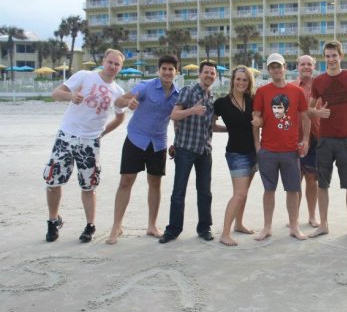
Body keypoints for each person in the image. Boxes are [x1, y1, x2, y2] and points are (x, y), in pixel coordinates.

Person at [43, 48, 126, 243]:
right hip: (67, 135)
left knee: (89, 185)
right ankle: (53, 221)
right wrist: (70, 96)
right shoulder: (84, 76)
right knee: (53, 181)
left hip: (90, 142)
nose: (112, 66)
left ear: (120, 68)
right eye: (110, 62)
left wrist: (102, 133)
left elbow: (120, 117)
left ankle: (90, 225)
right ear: (103, 61)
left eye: (117, 64)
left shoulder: (118, 91)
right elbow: (56, 93)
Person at [105, 55, 180, 244]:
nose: (167, 72)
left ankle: (152, 225)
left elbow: (177, 120)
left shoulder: (178, 94)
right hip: (136, 139)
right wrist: (128, 103)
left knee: (155, 183)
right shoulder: (145, 86)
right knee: (126, 181)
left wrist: (176, 143)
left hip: (158, 143)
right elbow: (119, 101)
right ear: (158, 70)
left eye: (171, 69)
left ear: (176, 72)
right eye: (164, 68)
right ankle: (116, 226)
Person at [308, 40, 347, 239]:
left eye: (334, 55)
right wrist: (318, 112)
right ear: (324, 58)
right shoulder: (318, 81)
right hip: (325, 140)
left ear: (341, 56)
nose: (331, 59)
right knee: (322, 184)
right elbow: (308, 110)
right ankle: (323, 224)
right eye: (327, 56)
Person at [252, 53, 310, 241]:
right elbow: (256, 118)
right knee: (269, 190)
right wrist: (257, 144)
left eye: (279, 66)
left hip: (290, 150)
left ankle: (294, 226)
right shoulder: (262, 92)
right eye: (273, 67)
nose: (276, 70)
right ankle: (267, 227)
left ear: (285, 67)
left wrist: (306, 140)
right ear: (269, 70)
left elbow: (305, 117)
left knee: (293, 189)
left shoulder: (297, 91)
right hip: (268, 150)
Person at [159, 60, 217, 243]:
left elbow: (211, 126)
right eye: (206, 72)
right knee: (179, 191)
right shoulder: (188, 91)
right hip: (185, 149)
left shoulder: (212, 98)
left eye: (212, 73)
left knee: (205, 192)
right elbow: (174, 115)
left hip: (204, 150)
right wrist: (192, 110)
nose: (209, 76)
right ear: (200, 74)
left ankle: (204, 227)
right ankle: (173, 230)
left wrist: (233, 128)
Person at [212, 65, 257, 246]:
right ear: (232, 81)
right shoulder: (221, 103)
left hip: (252, 151)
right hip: (235, 153)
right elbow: (211, 126)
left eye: (244, 80)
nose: (241, 82)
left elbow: (257, 124)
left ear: (249, 83)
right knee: (239, 194)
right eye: (238, 79)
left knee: (244, 193)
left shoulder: (252, 100)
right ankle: (225, 233)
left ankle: (239, 224)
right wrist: (228, 130)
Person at [291, 55, 320, 227]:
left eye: (309, 64)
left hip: (316, 139)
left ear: (314, 66)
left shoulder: (321, 86)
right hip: (294, 138)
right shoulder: (291, 87)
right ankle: (294, 217)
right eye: (303, 64)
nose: (306, 67)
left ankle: (312, 215)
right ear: (298, 66)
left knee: (312, 179)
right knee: (295, 180)